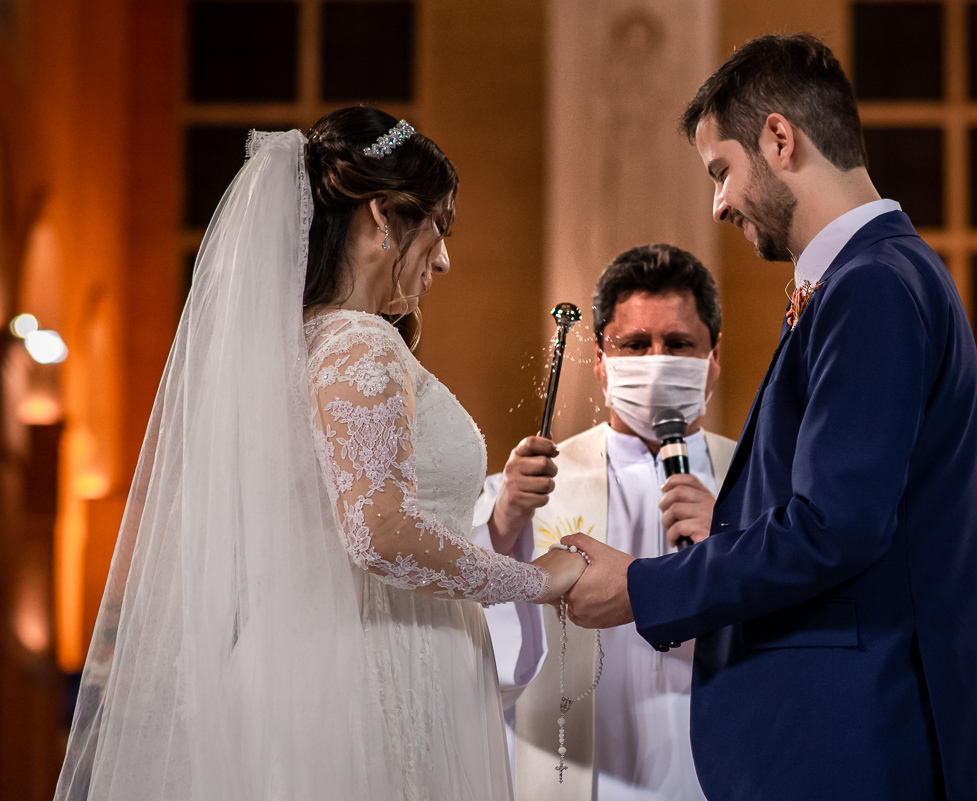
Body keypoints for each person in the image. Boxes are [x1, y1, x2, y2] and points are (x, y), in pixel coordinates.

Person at [54, 108, 586, 801]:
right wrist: (539, 580)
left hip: (320, 664)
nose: (445, 259)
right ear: (381, 217)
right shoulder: (359, 345)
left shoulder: (295, 349)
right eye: (438, 226)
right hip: (371, 676)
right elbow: (379, 531)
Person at [562, 34, 977, 801]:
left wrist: (647, 587)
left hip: (856, 739)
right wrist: (737, 526)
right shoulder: (879, 274)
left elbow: (837, 526)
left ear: (779, 139)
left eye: (722, 171)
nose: (718, 204)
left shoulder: (869, 286)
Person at [473, 244, 735, 800]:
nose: (657, 360)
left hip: (720, 768)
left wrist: (733, 540)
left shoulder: (756, 480)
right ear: (599, 359)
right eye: (636, 345)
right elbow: (467, 623)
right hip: (590, 776)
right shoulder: (536, 483)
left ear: (714, 357)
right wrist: (504, 524)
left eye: (679, 344)